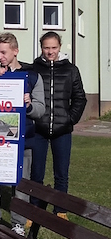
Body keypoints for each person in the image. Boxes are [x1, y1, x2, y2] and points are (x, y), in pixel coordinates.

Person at [0, 32, 45, 235]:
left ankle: (18, 224)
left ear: (15, 51)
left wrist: (28, 105)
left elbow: (41, 110)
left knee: (20, 183)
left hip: (23, 140)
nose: (0, 57)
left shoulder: (32, 76)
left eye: (4, 52)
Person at [31, 31, 86, 216]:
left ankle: (61, 210)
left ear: (59, 47)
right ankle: (34, 210)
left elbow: (80, 98)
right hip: (38, 129)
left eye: (53, 47)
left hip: (62, 130)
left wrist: (70, 119)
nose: (50, 51)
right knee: (36, 173)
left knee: (61, 173)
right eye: (46, 47)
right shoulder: (34, 68)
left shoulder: (71, 70)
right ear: (41, 48)